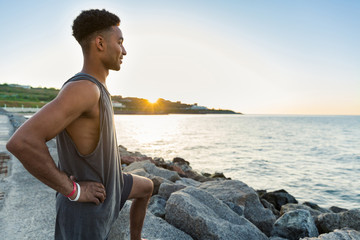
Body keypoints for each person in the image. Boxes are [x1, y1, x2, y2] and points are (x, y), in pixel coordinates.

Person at [6, 9, 153, 240]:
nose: (124, 50)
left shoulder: (98, 87)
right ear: (100, 43)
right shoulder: (84, 89)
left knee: (147, 187)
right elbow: (21, 141)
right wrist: (73, 191)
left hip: (112, 186)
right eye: (120, 42)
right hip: (88, 211)